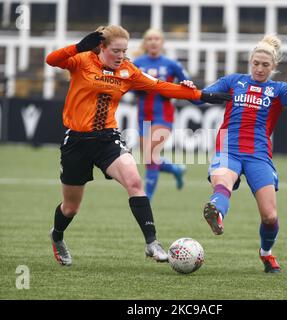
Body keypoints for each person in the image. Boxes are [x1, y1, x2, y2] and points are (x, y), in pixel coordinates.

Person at [45, 25, 230, 266]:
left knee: (134, 181)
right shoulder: (81, 60)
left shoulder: (127, 70)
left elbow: (161, 86)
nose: (121, 56)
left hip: (107, 139)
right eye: (116, 50)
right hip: (77, 142)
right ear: (101, 47)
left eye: (124, 50)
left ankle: (152, 243)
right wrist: (79, 46)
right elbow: (52, 60)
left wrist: (201, 95)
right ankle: (57, 236)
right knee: (70, 208)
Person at [194, 34, 287, 273]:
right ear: (250, 62)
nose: (259, 68)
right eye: (256, 63)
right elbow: (201, 98)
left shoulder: (278, 90)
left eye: (265, 65)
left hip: (258, 154)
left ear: (273, 67)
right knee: (223, 184)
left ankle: (266, 253)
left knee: (270, 217)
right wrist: (192, 91)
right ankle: (217, 214)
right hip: (228, 148)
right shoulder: (233, 82)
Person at [133, 29, 189, 201]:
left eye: (156, 39)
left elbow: (187, 82)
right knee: (150, 159)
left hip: (163, 117)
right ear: (145, 43)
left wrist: (180, 87)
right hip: (143, 117)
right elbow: (125, 84)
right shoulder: (137, 63)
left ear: (162, 42)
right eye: (149, 39)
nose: (153, 42)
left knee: (151, 154)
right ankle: (175, 169)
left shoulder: (172, 64)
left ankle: (146, 198)